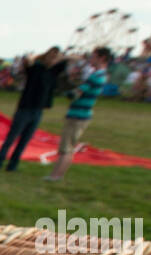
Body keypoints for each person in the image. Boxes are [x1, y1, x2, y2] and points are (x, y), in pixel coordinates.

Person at [0, 46, 68, 172]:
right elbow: (28, 60)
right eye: (51, 56)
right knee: (12, 137)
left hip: (38, 111)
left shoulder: (54, 72)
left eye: (56, 57)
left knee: (25, 140)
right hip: (25, 109)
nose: (53, 60)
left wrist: (60, 57)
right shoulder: (36, 68)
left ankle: (13, 165)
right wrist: (37, 56)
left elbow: (71, 59)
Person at [45, 46, 111, 182]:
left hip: (78, 115)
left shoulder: (96, 76)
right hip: (81, 114)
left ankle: (56, 176)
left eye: (94, 56)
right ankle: (56, 175)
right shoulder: (101, 75)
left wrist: (65, 85)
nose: (91, 59)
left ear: (102, 58)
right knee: (67, 147)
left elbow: (74, 94)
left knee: (66, 148)